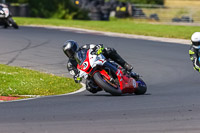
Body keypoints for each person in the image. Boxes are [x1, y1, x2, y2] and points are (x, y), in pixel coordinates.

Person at [63, 40, 138, 93]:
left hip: (97, 61)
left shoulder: (84, 47)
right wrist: (77, 77)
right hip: (89, 74)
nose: (70, 53)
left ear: (75, 47)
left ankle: (125, 65)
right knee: (89, 87)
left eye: (71, 50)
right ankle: (106, 85)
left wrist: (98, 48)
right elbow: (74, 75)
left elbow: (96, 46)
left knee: (108, 50)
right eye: (68, 52)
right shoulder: (70, 64)